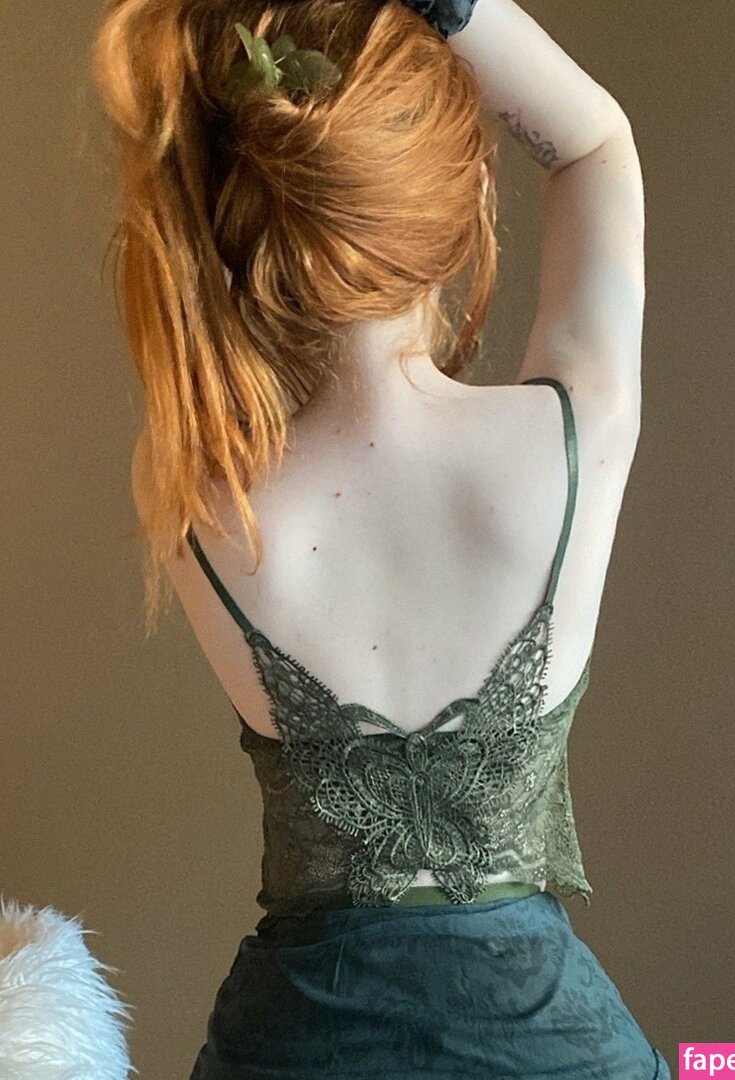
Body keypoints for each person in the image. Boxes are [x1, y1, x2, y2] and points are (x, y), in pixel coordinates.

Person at [92, 0, 666, 1074]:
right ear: (467, 200)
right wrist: (456, 7)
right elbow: (594, 143)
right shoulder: (573, 437)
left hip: (287, 1047)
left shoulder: (198, 495)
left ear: (243, 221)